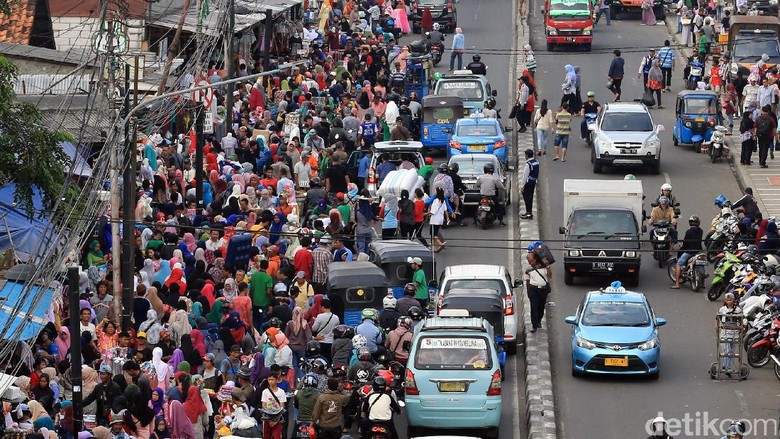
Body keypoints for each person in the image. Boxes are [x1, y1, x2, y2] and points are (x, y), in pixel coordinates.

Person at [672, 215, 703, 289]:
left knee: (679, 263)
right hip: (698, 251)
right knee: (701, 264)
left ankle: (677, 284)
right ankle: (703, 284)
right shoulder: (701, 231)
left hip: (689, 252)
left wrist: (681, 248)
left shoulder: (689, 232)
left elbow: (686, 242)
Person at [524, 249, 552, 333]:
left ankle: (539, 321)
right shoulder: (528, 269)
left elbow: (550, 276)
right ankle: (534, 325)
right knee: (534, 307)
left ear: (536, 259)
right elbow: (527, 281)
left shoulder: (544, 266)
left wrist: (547, 266)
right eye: (529, 261)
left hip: (543, 290)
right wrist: (528, 292)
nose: (530, 263)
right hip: (533, 289)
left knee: (541, 307)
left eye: (531, 261)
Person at [718, 292, 742, 376]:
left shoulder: (738, 310)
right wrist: (717, 326)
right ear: (725, 300)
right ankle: (727, 367)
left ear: (733, 300)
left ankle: (726, 366)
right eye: (727, 300)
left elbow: (741, 320)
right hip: (725, 333)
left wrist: (741, 327)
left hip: (734, 334)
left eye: (730, 300)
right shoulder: (722, 309)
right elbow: (717, 319)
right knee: (727, 350)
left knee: (731, 351)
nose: (729, 302)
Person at [520, 149, 540, 220]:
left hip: (528, 183)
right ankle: (529, 212)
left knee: (527, 197)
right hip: (534, 181)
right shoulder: (536, 162)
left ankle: (528, 212)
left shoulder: (528, 164)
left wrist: (522, 186)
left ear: (527, 155)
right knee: (530, 196)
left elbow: (525, 176)